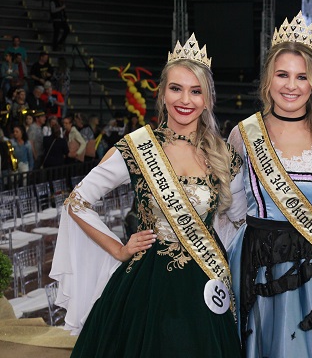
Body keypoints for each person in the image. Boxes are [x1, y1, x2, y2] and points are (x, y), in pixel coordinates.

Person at [50, 33, 242, 357]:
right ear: (162, 93)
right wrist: (119, 249)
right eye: (176, 88)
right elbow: (78, 201)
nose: (185, 99)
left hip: (204, 283)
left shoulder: (224, 156)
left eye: (196, 91)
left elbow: (239, 220)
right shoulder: (138, 147)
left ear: (208, 98)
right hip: (146, 284)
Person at [218, 11, 312, 358]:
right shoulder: (243, 134)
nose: (291, 85)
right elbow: (230, 209)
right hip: (256, 263)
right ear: (268, 79)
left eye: (301, 76)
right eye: (282, 74)